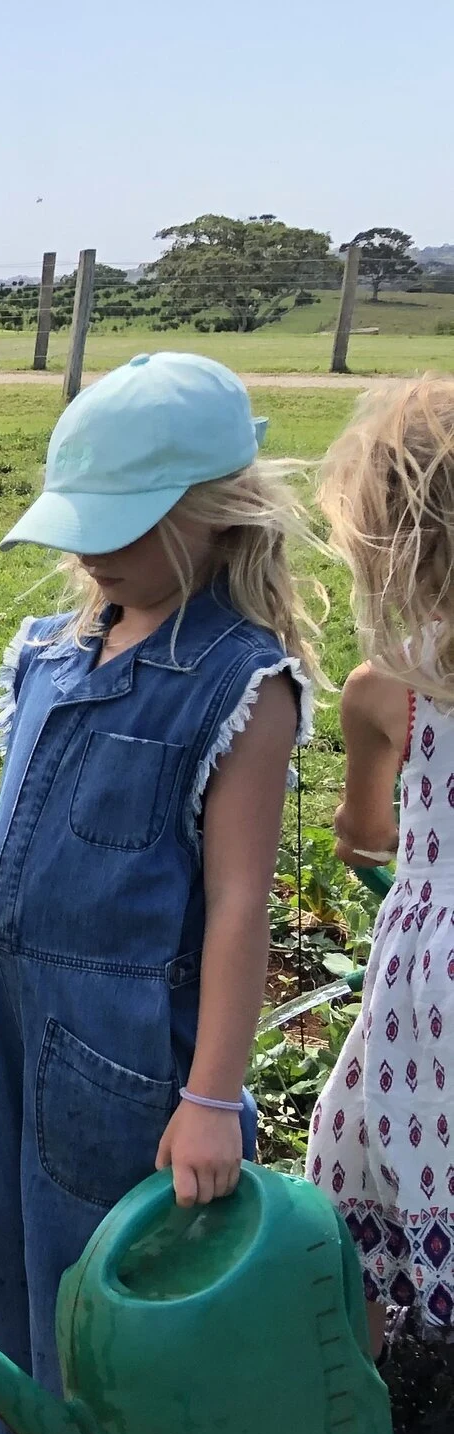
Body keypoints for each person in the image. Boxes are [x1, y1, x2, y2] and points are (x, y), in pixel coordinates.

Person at [0, 353, 321, 1434]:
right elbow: (5, 844)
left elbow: (242, 908)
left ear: (200, 517)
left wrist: (211, 1093)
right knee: (9, 1274)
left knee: (111, 1309)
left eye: (116, 539)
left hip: (125, 1062)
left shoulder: (241, 686)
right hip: (9, 1029)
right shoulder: (54, 651)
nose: (90, 563)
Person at [304, 379, 454, 1339]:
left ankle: (358, 1416)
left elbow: (364, 835)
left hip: (431, 978)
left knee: (350, 1160)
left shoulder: (389, 685)